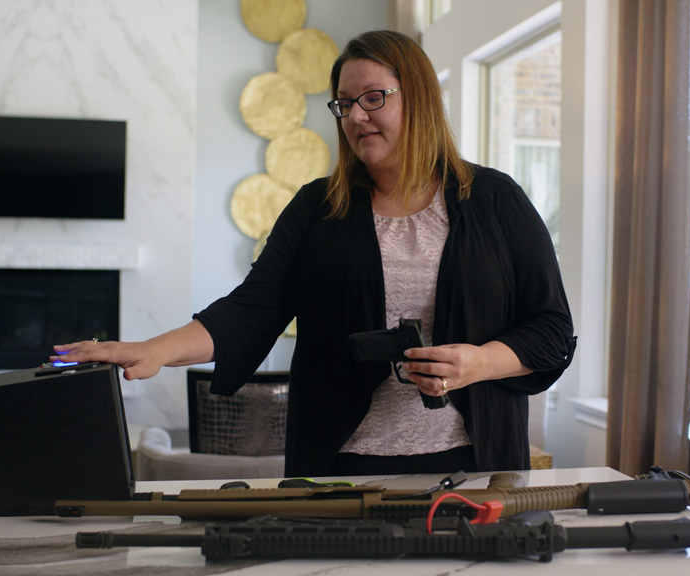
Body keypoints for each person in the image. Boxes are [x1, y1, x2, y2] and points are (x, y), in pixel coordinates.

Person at [53, 30, 576, 477]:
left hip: (476, 465)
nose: (355, 117)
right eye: (344, 103)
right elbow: (252, 310)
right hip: (340, 467)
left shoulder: (494, 198)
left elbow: (550, 329)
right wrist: (155, 350)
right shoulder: (317, 208)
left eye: (373, 98)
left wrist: (478, 363)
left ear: (417, 98)